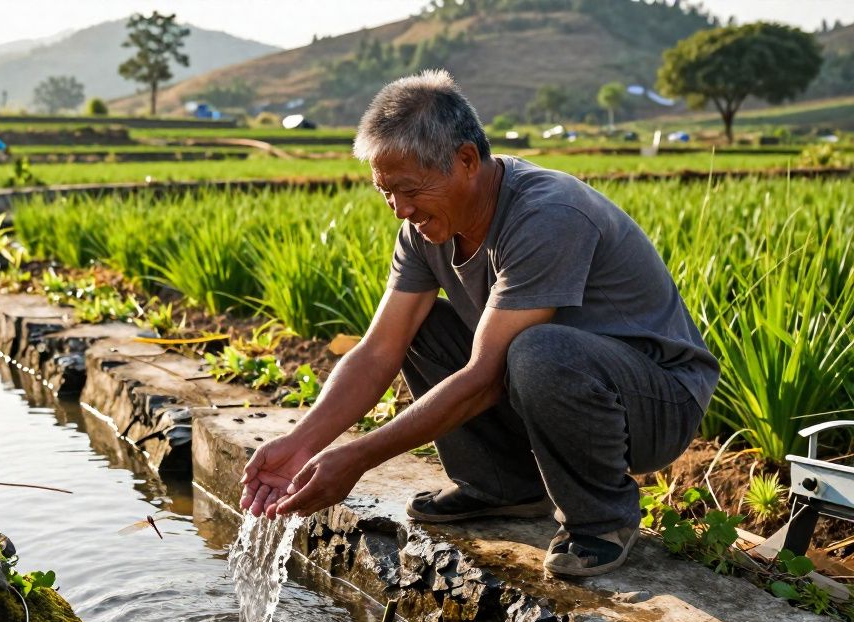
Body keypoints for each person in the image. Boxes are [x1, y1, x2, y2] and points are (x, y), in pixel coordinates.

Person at [240, 70, 718, 578]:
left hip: (654, 399)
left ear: (466, 160)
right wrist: (301, 444)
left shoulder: (547, 214)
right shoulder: (424, 228)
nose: (400, 210)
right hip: (552, 383)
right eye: (386, 194)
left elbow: (487, 374)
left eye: (409, 189)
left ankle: (601, 519)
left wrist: (357, 458)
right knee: (423, 326)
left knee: (538, 350)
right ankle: (501, 487)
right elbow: (380, 348)